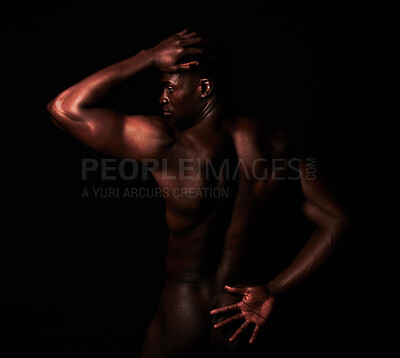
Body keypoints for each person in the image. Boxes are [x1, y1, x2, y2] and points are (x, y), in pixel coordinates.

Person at [47, 30, 349, 357]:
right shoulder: (275, 143)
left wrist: (147, 56)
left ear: (204, 88)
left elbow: (63, 107)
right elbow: (336, 220)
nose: (161, 98)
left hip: (184, 308)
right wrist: (273, 289)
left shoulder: (167, 144)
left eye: (170, 87)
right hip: (239, 315)